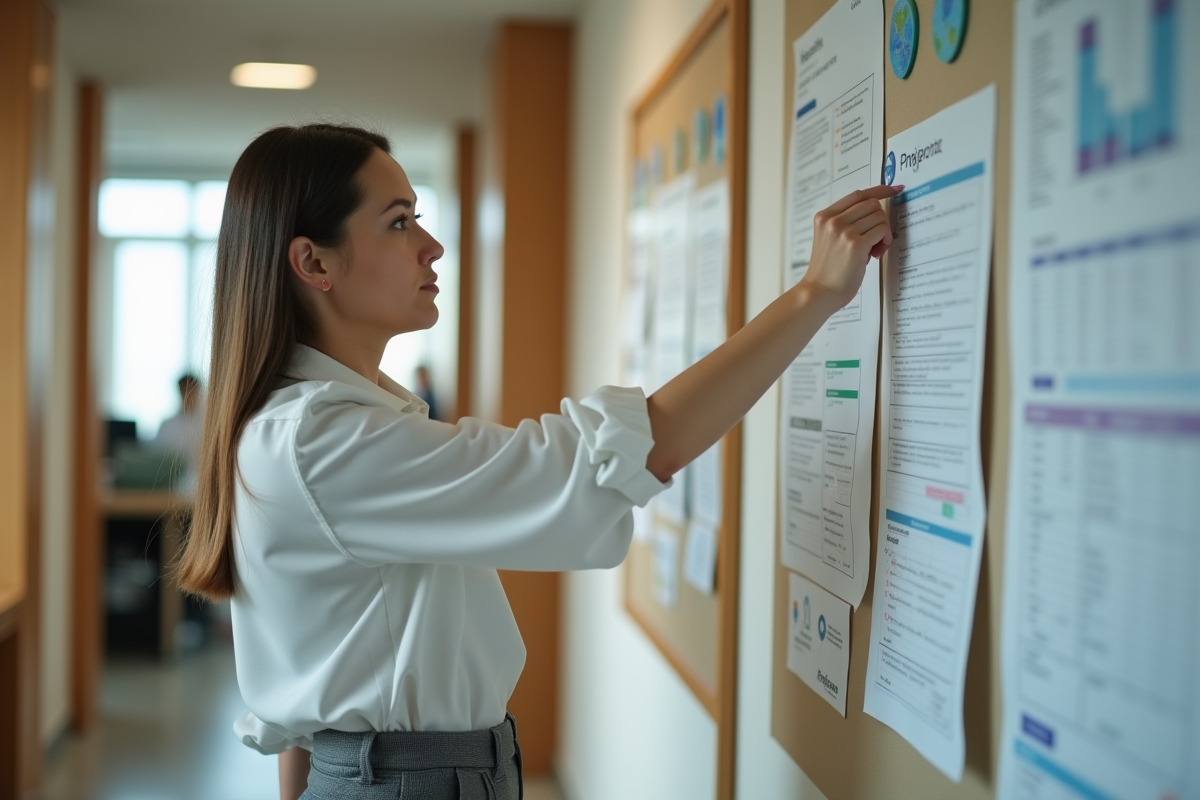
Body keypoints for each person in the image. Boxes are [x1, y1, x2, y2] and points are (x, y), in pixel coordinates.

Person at [176, 123, 899, 800]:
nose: (432, 246)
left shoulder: (316, 428)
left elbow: (299, 710)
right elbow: (606, 460)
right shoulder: (322, 441)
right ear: (313, 263)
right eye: (398, 223)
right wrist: (814, 295)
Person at [153, 373, 204, 495]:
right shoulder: (167, 425)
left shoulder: (206, 425)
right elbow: (156, 459)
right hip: (170, 488)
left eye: (191, 391)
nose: (188, 395)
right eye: (184, 390)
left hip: (199, 487)